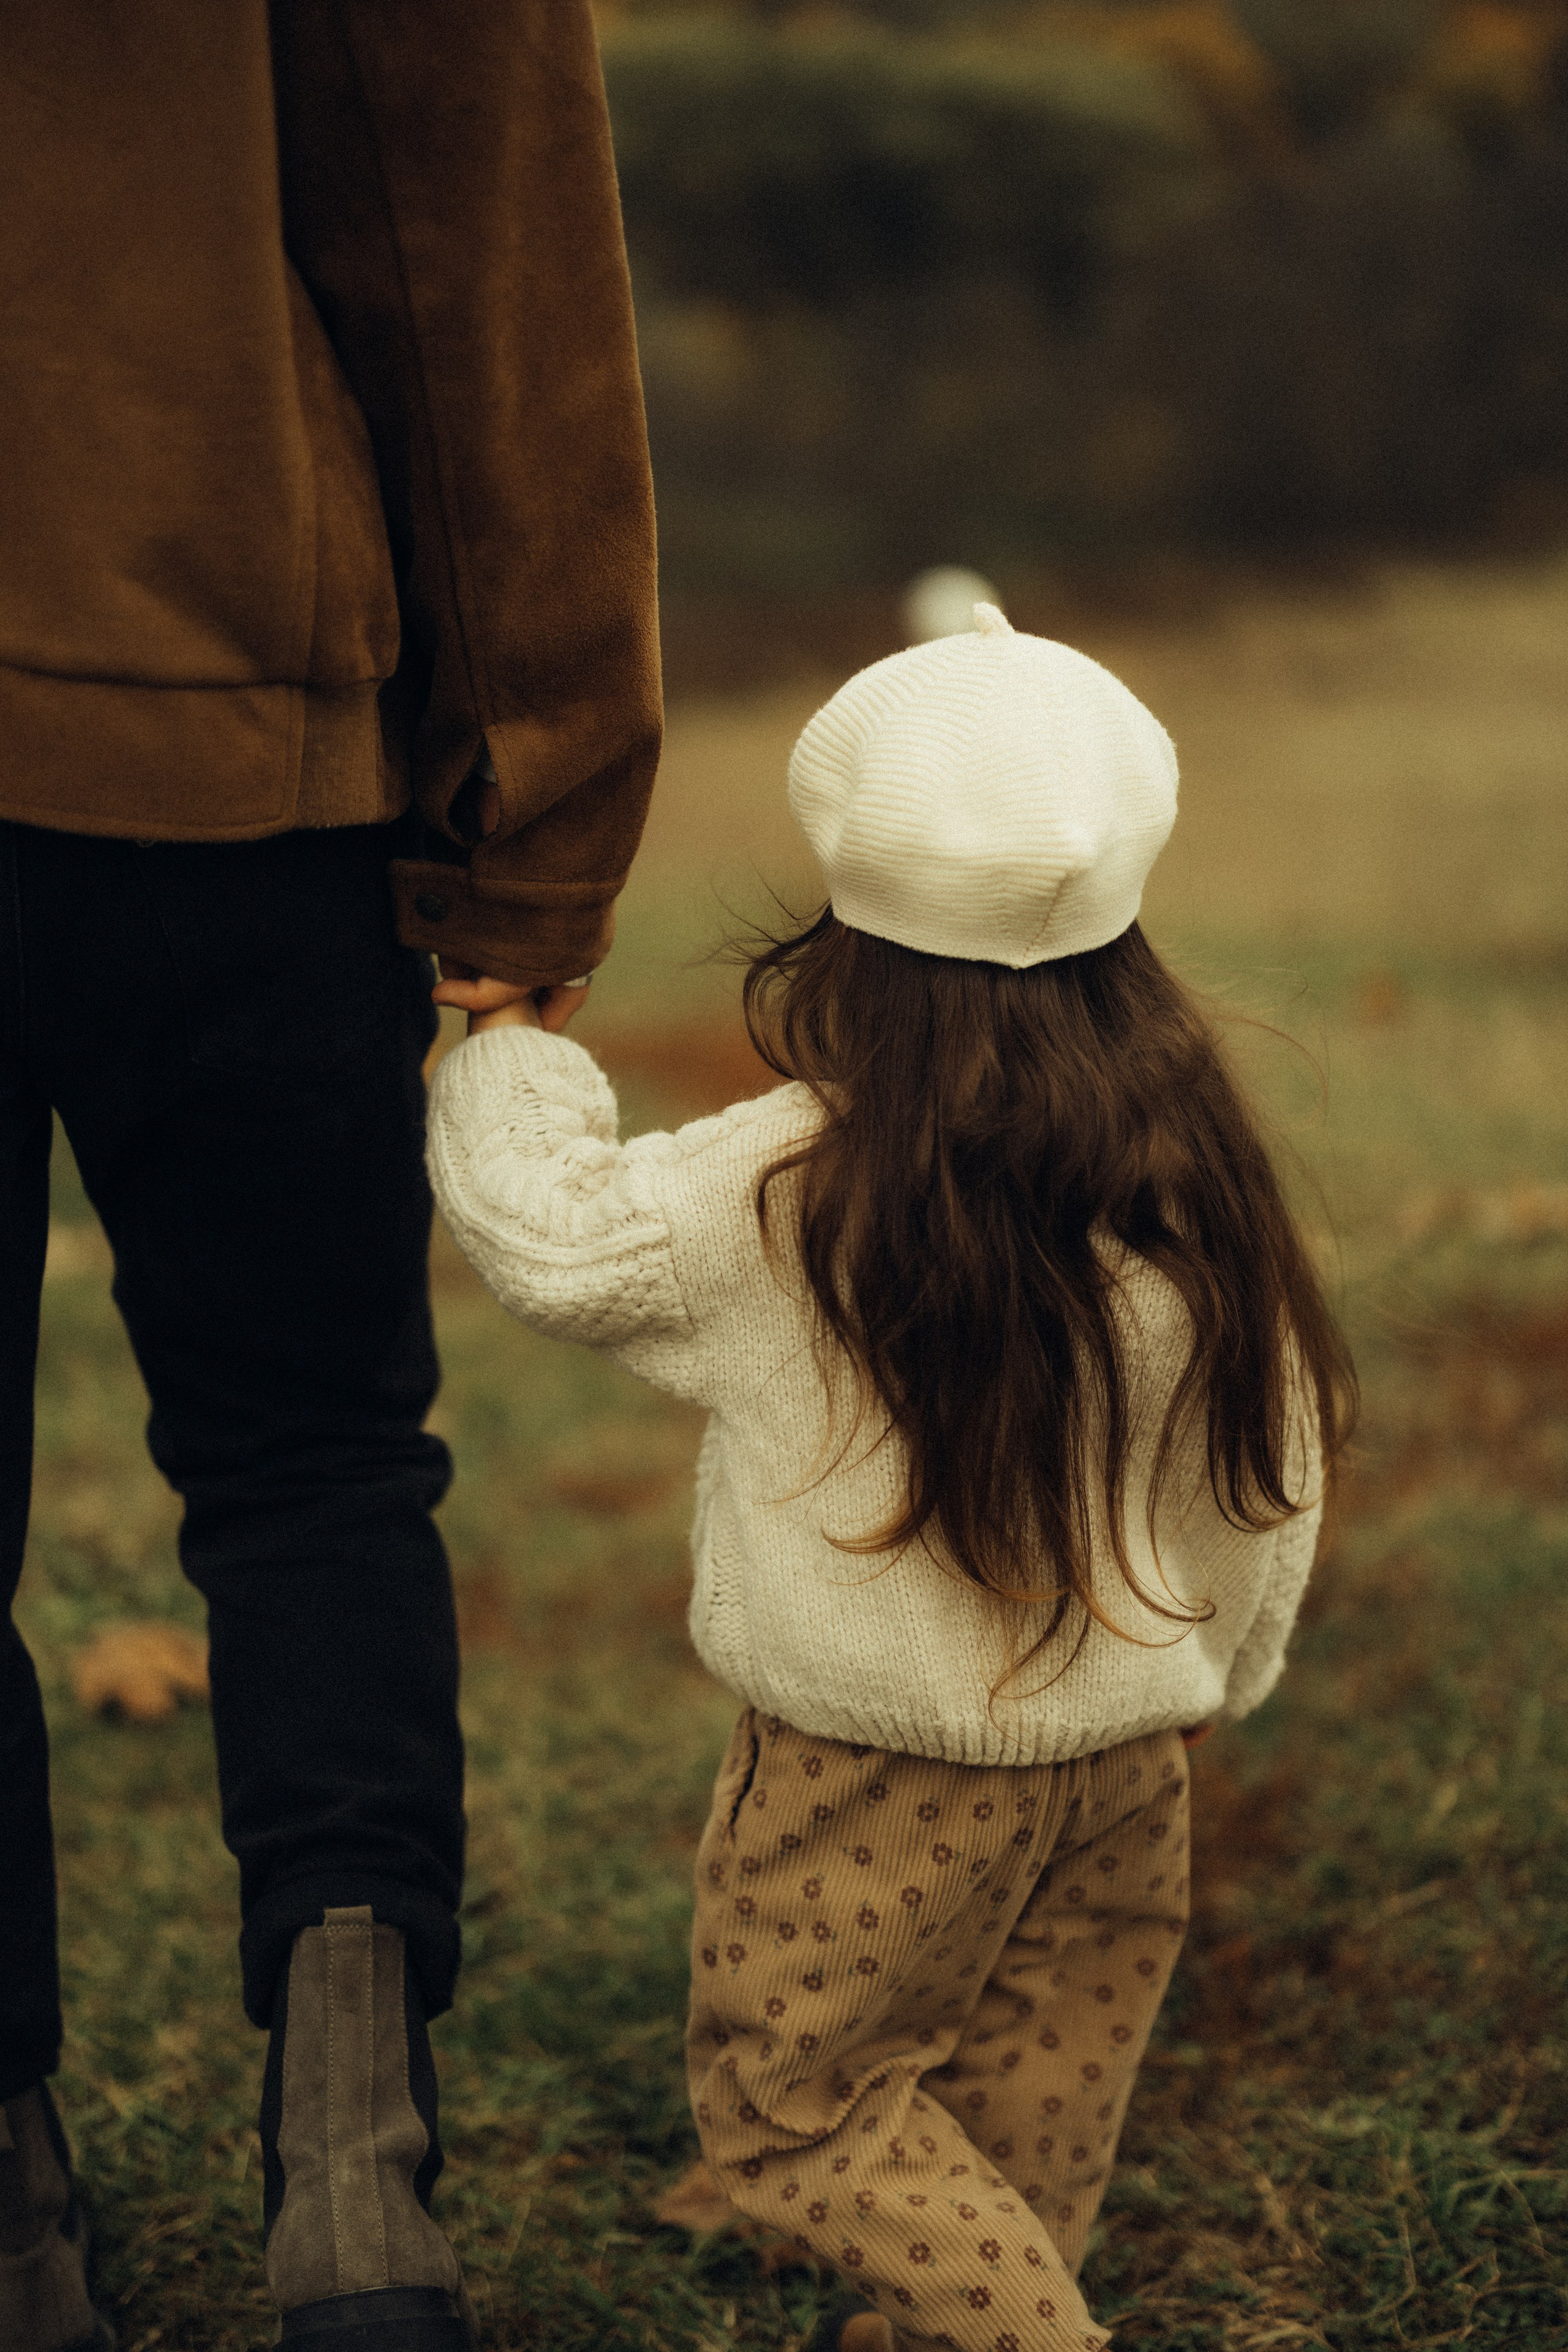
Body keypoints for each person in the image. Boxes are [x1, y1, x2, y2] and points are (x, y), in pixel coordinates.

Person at [423, 605, 1355, 2352]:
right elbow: (1273, 1463)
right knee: (1035, 2091)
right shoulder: (1196, 1167)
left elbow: (558, 1243)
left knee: (798, 2115)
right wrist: (1224, 1672)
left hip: (870, 1780)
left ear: (843, 913)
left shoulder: (797, 1188)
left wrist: (512, 1048)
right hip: (1129, 1757)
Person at [0, 7, 660, 2350]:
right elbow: (465, 208)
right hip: (222, 709)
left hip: (225, 709)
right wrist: (545, 804)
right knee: (309, 1471)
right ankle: (356, 2190)